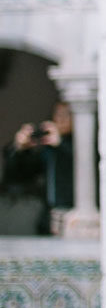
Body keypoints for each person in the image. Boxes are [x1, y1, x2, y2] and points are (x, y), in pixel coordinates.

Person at [1, 100, 74, 234]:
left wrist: (62, 144)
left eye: (67, 115)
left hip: (74, 212)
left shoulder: (83, 143)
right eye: (58, 115)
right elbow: (18, 175)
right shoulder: (49, 150)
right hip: (49, 213)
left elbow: (85, 165)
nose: (61, 120)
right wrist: (20, 149)